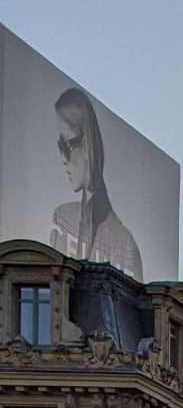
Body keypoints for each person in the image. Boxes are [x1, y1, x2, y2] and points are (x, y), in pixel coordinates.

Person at [50, 87, 145, 275]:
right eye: (59, 146)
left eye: (66, 145)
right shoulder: (62, 217)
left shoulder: (124, 244)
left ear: (86, 146)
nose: (63, 157)